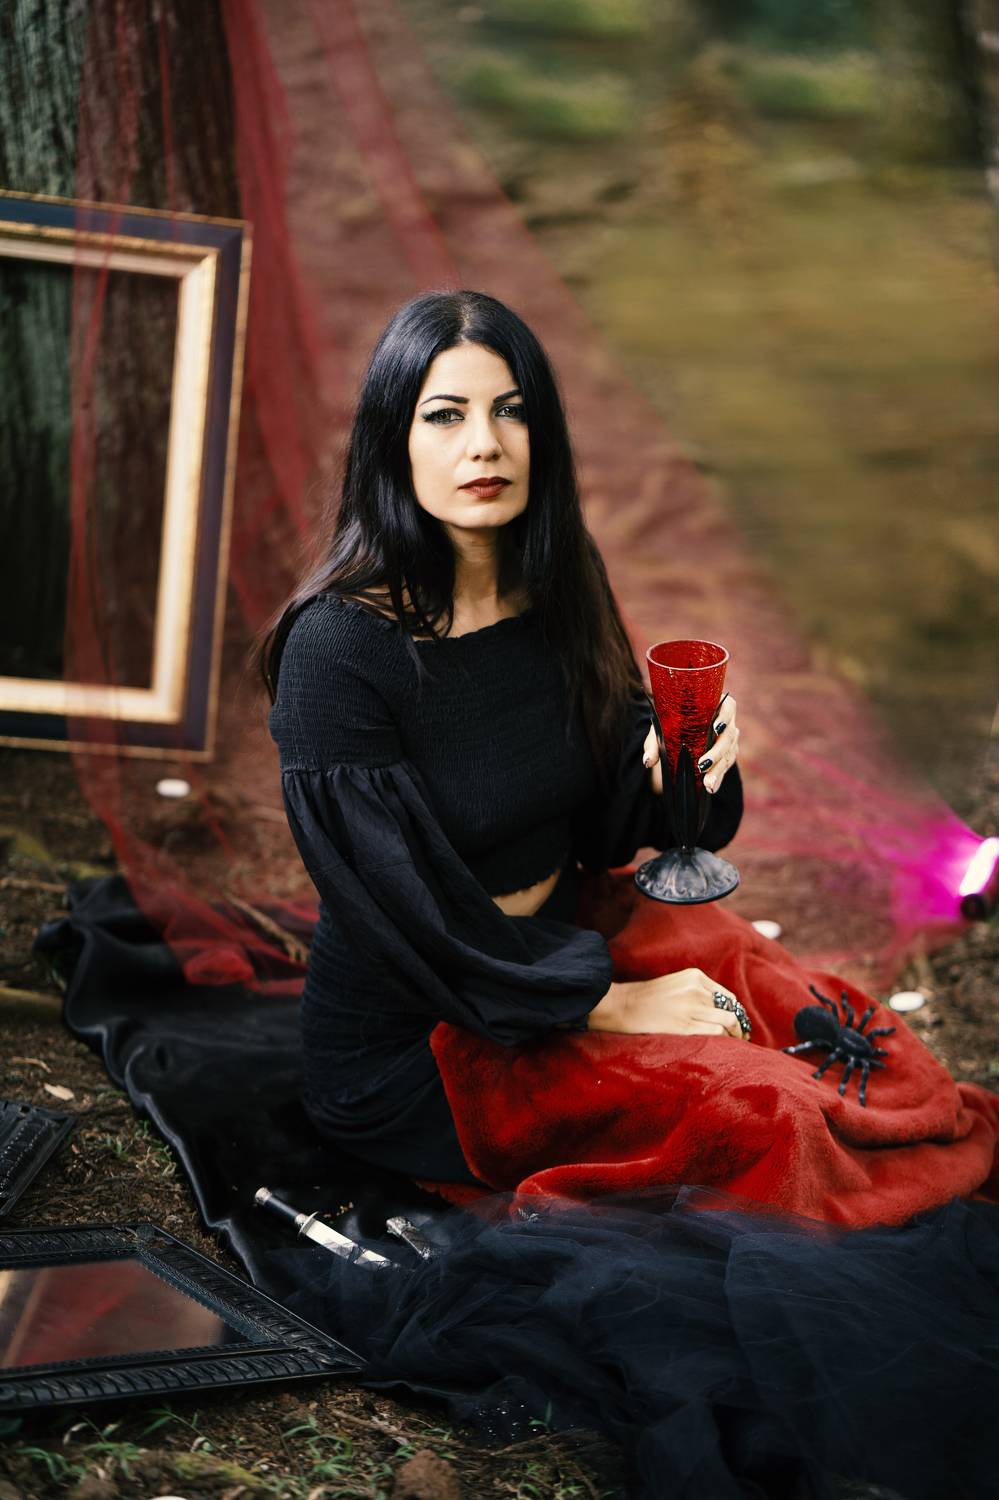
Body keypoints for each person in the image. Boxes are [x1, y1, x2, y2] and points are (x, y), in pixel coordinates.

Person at [264, 289, 999, 1224]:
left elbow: (609, 817)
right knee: (762, 1112)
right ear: (391, 442)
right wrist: (604, 1006)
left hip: (568, 941)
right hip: (430, 1034)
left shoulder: (553, 581)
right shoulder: (338, 650)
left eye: (511, 410)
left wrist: (676, 773)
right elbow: (401, 915)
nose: (484, 445)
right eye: (445, 415)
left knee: (837, 1041)